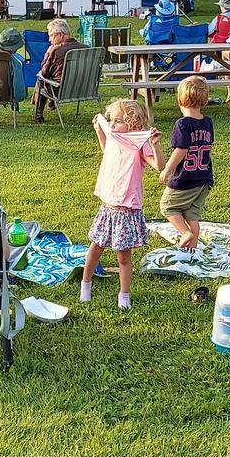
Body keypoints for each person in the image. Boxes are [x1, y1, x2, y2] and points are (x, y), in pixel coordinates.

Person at [80, 99, 163, 310]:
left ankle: (124, 294)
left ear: (133, 124)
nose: (113, 125)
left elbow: (159, 166)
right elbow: (106, 150)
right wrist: (99, 129)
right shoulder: (115, 138)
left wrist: (155, 145)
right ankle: (85, 284)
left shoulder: (139, 144)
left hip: (127, 210)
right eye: (112, 121)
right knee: (95, 249)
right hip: (108, 207)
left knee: (124, 257)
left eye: (118, 121)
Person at [158, 77, 214, 252]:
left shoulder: (182, 124)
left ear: (180, 99)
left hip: (185, 179)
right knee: (192, 213)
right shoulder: (207, 122)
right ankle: (193, 247)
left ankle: (185, 234)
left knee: (167, 206)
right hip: (204, 177)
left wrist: (167, 169)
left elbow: (181, 149)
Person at [32, 18, 86, 124]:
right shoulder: (85, 48)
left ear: (60, 35)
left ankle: (38, 114)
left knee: (41, 79)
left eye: (51, 35)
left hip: (61, 91)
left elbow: (44, 72)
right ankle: (51, 104)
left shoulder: (56, 51)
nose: (49, 40)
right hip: (85, 88)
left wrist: (48, 54)